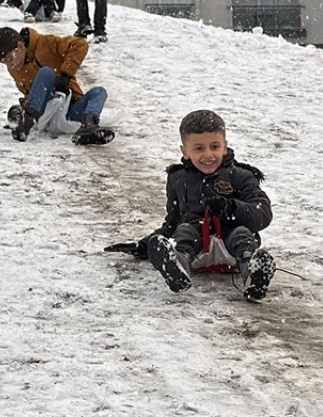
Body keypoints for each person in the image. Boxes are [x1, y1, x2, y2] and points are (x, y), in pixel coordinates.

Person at [105, 110, 275, 301]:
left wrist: (232, 208)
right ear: (185, 151)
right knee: (184, 230)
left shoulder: (241, 176)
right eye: (199, 148)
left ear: (225, 147)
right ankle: (178, 269)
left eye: (215, 146)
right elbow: (173, 222)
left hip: (232, 250)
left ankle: (253, 276)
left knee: (243, 235)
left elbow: (262, 212)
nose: (208, 155)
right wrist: (145, 245)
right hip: (196, 250)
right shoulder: (178, 179)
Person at [0, 27, 114, 145]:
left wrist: (65, 75)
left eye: (9, 59)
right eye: (4, 63)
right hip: (40, 112)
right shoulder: (14, 67)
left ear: (20, 46)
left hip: (68, 108)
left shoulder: (45, 43)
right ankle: (26, 121)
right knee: (46, 73)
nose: (10, 66)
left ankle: (88, 127)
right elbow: (29, 92)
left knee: (99, 92)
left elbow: (80, 45)